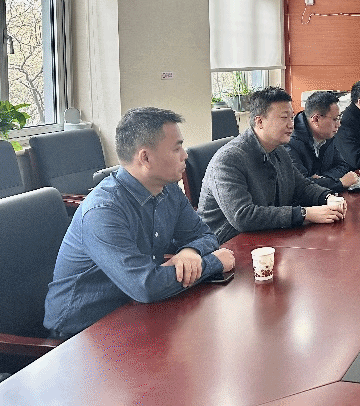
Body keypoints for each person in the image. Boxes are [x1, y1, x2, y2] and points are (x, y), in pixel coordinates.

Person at [44, 107, 235, 338]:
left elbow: (204, 235)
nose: (184, 155)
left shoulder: (168, 190)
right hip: (81, 332)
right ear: (145, 158)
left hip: (135, 310)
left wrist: (190, 252)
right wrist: (214, 262)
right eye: (176, 148)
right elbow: (146, 286)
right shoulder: (103, 211)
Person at [198, 87, 345, 244]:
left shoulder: (278, 150)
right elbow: (243, 216)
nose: (291, 125)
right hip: (225, 243)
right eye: (284, 118)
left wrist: (328, 197)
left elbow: (301, 186)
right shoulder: (228, 159)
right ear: (259, 122)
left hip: (266, 235)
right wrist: (305, 214)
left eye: (292, 118)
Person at [286, 91, 358, 192]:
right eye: (335, 119)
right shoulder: (290, 142)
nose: (338, 124)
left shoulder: (326, 135)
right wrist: (339, 183)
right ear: (316, 120)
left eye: (339, 118)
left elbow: (342, 166)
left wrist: (323, 179)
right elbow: (301, 186)